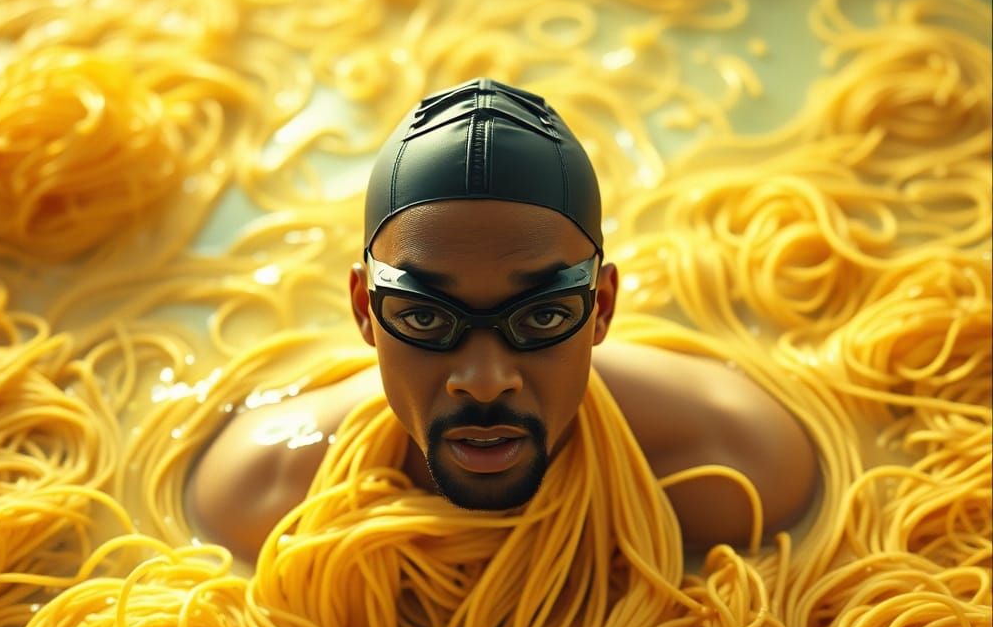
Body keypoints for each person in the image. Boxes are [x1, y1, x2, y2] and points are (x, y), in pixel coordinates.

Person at [188, 78, 818, 563]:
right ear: (363, 311)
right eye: (426, 319)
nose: (485, 381)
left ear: (600, 307)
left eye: (542, 316)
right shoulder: (264, 498)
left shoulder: (734, 470)